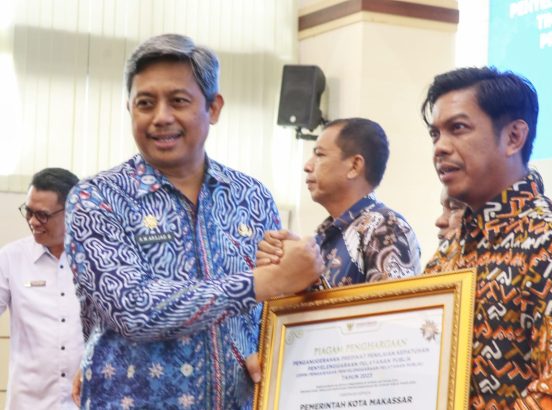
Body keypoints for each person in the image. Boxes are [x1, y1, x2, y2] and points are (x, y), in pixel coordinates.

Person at [64, 33, 323, 409]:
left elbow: (266, 310)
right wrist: (261, 282)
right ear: (130, 109)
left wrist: (267, 344)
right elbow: (133, 308)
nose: (161, 117)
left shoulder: (250, 196)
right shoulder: (97, 198)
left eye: (178, 101)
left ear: (213, 108)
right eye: (145, 103)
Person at [422, 66, 552, 409]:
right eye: (435, 134)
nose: (440, 148)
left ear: (513, 137)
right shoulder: (452, 247)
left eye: (457, 128)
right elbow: (409, 352)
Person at [257, 118, 421, 287]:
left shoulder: (386, 227)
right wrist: (293, 262)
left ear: (354, 166)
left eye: (320, 155)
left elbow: (394, 302)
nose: (307, 166)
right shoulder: (323, 235)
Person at [0, 168, 83, 410]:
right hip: (29, 402)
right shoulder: (11, 258)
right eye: (28, 211)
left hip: (87, 400)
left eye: (43, 215)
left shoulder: (99, 261)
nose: (33, 221)